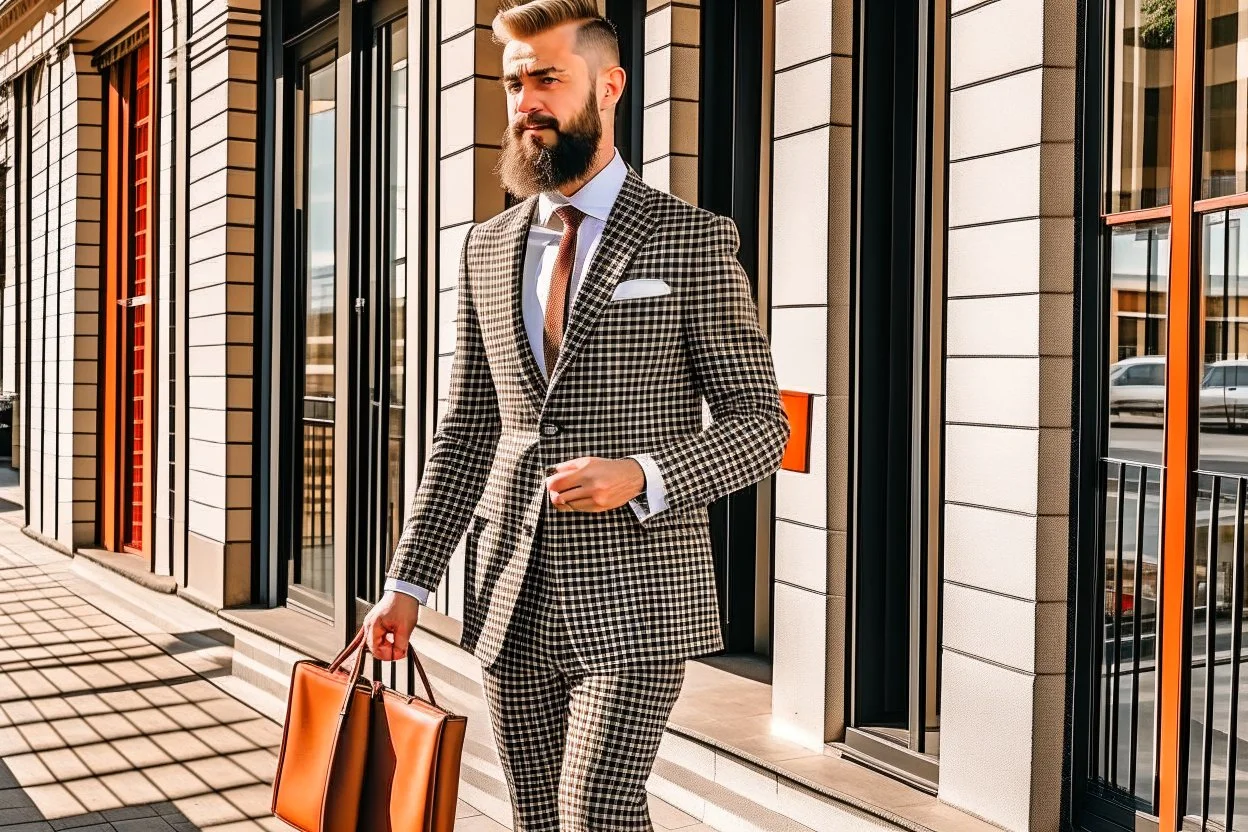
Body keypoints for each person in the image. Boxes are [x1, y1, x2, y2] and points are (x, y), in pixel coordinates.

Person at [362, 0, 789, 828]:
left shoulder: (689, 239)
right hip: (509, 589)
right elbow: (467, 430)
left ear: (609, 84)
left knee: (595, 810)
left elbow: (759, 423)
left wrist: (644, 473)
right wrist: (407, 581)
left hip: (637, 594)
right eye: (514, 82)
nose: (526, 101)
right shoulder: (486, 247)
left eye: (547, 78)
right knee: (535, 816)